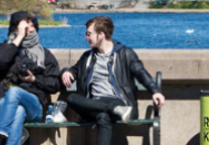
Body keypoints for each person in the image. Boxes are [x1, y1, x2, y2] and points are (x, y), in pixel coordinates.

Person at [59, 16, 166, 145]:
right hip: (93, 104)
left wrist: (155, 91)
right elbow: (74, 70)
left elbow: (141, 73)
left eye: (88, 34)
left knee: (103, 117)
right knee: (71, 98)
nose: (86, 37)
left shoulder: (124, 54)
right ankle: (114, 109)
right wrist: (66, 71)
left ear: (101, 35)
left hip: (117, 100)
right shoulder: (88, 57)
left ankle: (113, 107)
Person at [0, 12, 61, 145]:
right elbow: (1, 61)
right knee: (18, 110)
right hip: (3, 103)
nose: (29, 28)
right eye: (25, 25)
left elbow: (54, 84)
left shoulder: (45, 55)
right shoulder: (3, 49)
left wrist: (34, 80)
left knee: (15, 92)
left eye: (32, 25)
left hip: (33, 105)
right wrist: (18, 37)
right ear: (15, 27)